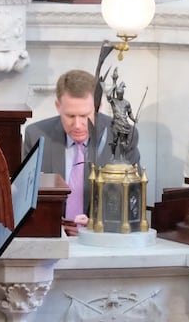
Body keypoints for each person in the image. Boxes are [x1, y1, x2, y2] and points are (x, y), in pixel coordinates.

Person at [23, 69, 140, 236]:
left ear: (98, 107)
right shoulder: (36, 136)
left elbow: (133, 201)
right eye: (70, 116)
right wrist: (54, 224)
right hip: (53, 239)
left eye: (85, 116)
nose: (77, 125)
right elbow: (26, 199)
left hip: (105, 241)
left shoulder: (122, 136)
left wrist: (97, 225)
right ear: (58, 106)